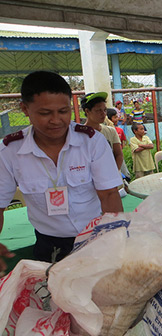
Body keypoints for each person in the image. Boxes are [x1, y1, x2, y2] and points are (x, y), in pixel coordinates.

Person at [0, 71, 123, 270]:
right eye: (45, 113)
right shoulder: (10, 151)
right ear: (25, 108)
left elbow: (109, 194)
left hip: (95, 235)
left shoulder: (91, 141)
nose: (56, 120)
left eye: (64, 111)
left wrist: (117, 238)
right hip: (50, 244)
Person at [81, 92, 124, 171]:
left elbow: (118, 155)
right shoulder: (79, 135)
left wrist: (114, 172)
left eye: (105, 110)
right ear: (87, 111)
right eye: (98, 110)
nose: (103, 114)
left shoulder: (111, 131)